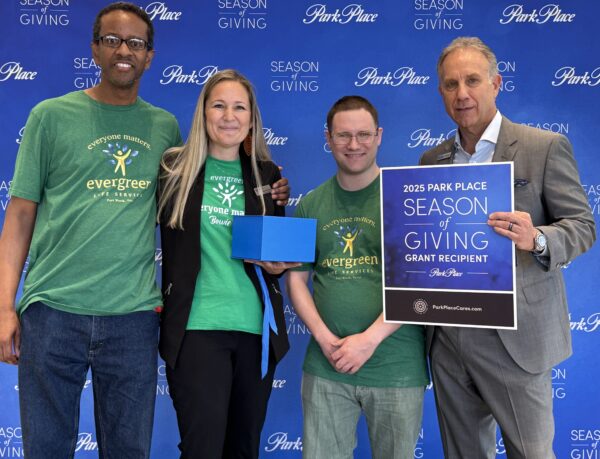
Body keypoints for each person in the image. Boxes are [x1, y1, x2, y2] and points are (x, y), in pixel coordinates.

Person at [0, 3, 289, 458]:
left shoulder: (164, 132)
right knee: (46, 449)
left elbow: (220, 189)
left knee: (130, 451)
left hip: (133, 319)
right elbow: (18, 215)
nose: (123, 50)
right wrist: (4, 307)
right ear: (94, 48)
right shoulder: (49, 116)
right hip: (52, 311)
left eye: (135, 43)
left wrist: (271, 186)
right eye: (112, 39)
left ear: (149, 56)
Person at [421, 37, 596, 458]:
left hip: (516, 337)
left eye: (472, 80)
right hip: (448, 336)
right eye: (450, 84)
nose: (462, 93)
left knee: (531, 452)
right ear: (441, 92)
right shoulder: (431, 162)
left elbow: (583, 226)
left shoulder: (544, 147)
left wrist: (536, 238)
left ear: (496, 84)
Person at [157, 69, 298, 459]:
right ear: (203, 113)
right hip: (196, 330)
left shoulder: (268, 177)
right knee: (202, 448)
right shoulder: (173, 170)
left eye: (239, 107)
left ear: (252, 118)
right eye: (218, 105)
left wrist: (278, 266)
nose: (228, 116)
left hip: (256, 334)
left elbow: (278, 255)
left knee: (244, 448)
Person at [287, 96, 429, 459]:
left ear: (379, 136)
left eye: (363, 134)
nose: (354, 145)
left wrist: (368, 340)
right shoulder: (310, 205)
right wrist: (324, 339)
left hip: (396, 367)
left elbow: (418, 283)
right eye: (343, 135)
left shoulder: (408, 199)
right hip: (326, 367)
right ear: (328, 138)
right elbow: (296, 281)